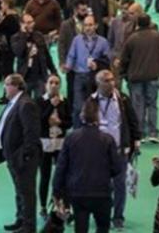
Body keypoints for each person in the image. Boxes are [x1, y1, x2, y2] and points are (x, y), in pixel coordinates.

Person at [53, 98, 122, 233]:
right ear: (98, 117)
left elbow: (61, 167)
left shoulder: (71, 138)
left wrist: (56, 191)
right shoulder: (108, 139)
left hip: (78, 192)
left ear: (81, 116)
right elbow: (117, 168)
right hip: (102, 192)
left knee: (80, 228)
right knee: (103, 228)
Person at [90, 70, 142, 230]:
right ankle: (102, 213)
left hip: (120, 150)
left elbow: (133, 120)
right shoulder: (91, 101)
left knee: (120, 185)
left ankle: (118, 216)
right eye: (106, 80)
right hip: (98, 152)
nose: (111, 83)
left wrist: (136, 139)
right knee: (101, 185)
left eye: (112, 79)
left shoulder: (123, 99)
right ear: (98, 83)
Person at [0, 74, 42, 233]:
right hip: (13, 156)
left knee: (26, 192)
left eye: (7, 84)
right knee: (19, 190)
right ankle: (21, 219)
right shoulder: (15, 103)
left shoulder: (26, 104)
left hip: (22, 158)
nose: (5, 88)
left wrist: (25, 155)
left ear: (16, 86)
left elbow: (31, 132)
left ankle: (29, 225)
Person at [121, 14, 159, 143]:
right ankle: (153, 132)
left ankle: (139, 132)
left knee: (138, 104)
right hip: (153, 75)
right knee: (152, 104)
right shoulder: (158, 36)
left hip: (135, 76)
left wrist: (124, 73)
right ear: (149, 22)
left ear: (137, 23)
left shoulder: (132, 38)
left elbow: (124, 58)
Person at [64, 15, 111, 125]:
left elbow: (107, 60)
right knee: (78, 106)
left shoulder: (103, 42)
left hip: (95, 78)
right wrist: (68, 65)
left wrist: (97, 65)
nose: (88, 28)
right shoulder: (77, 40)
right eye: (85, 25)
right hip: (79, 75)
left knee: (95, 105)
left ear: (96, 26)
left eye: (90, 25)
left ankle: (95, 128)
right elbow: (71, 55)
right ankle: (78, 130)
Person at [35, 74, 71, 218]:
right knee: (45, 175)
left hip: (60, 143)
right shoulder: (39, 101)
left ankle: (63, 205)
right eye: (51, 82)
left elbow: (69, 122)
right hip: (45, 143)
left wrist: (60, 122)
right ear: (46, 85)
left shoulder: (65, 101)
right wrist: (51, 106)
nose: (54, 85)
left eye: (57, 83)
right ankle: (43, 206)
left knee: (62, 175)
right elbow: (39, 121)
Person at [12, 13, 58, 97]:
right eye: (28, 22)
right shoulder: (16, 38)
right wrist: (23, 35)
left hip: (40, 75)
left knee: (40, 100)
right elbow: (19, 52)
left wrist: (54, 71)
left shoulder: (39, 36)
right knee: (25, 101)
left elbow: (47, 55)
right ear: (22, 24)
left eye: (32, 22)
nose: (32, 25)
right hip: (25, 76)